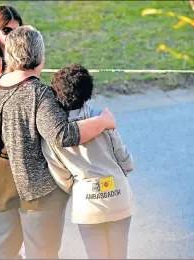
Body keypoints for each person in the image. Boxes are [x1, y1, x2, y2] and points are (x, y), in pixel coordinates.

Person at [0, 25, 117, 259]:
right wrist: (102, 122)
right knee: (43, 252)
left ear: (9, 56)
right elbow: (63, 135)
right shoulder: (40, 94)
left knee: (0, 252)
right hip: (35, 188)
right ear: (40, 57)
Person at [42, 63, 134, 259]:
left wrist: (74, 184)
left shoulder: (53, 132)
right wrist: (124, 167)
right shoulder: (101, 117)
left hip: (86, 202)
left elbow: (59, 172)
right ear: (87, 94)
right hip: (118, 197)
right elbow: (124, 159)